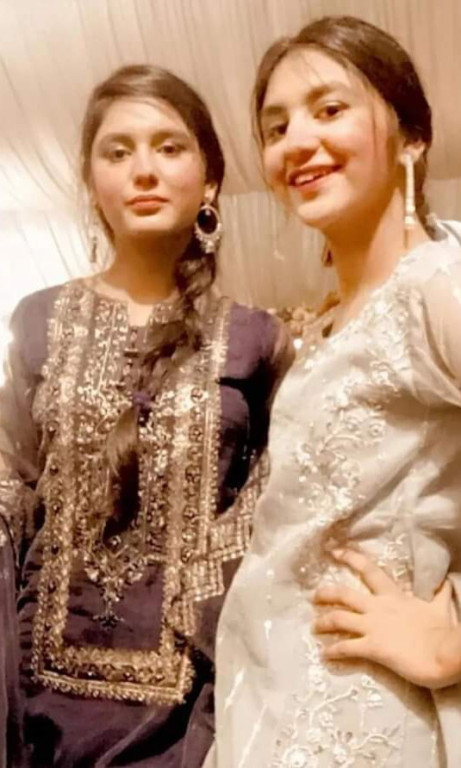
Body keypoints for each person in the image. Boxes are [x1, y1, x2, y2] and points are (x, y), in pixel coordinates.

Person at [0, 64, 291, 767]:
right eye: (118, 151)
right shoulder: (39, 321)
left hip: (194, 711)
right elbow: (10, 482)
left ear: (210, 179)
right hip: (39, 706)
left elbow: (279, 508)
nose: (144, 171)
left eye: (169, 147)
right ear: (91, 180)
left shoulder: (257, 340)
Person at [207, 15, 461, 768]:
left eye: (329, 109)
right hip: (269, 700)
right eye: (276, 126)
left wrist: (452, 640)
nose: (297, 141)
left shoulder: (436, 288)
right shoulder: (328, 321)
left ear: (411, 136)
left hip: (361, 720)